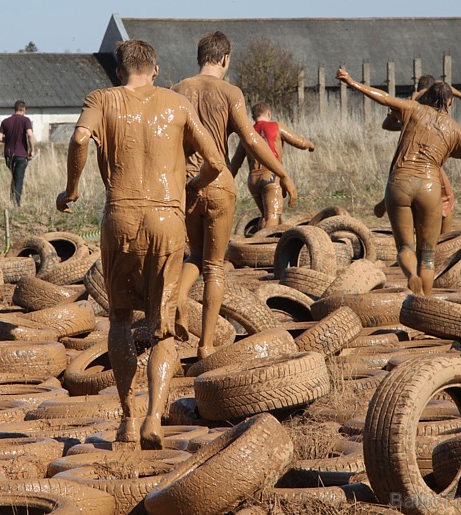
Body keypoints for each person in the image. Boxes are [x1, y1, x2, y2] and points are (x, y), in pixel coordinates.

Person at [56, 40, 230, 450]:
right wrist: (190, 189)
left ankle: (129, 419)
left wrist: (71, 189)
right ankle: (155, 415)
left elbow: (80, 139)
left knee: (119, 320)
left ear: (119, 72)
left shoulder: (102, 98)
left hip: (121, 217)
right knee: (162, 326)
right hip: (168, 218)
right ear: (154, 69)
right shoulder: (176, 103)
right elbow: (217, 162)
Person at [172, 31, 298, 359]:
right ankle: (206, 345)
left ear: (200, 57)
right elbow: (252, 140)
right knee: (214, 266)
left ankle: (180, 296)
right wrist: (282, 173)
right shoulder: (230, 92)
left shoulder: (176, 91)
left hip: (186, 186)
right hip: (217, 186)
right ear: (225, 58)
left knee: (194, 256)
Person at [336, 68, 461, 296]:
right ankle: (424, 302)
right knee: (428, 256)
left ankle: (411, 276)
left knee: (405, 248)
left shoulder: (413, 109)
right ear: (450, 103)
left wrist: (352, 82)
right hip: (429, 187)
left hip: (399, 184)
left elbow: (382, 97)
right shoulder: (456, 130)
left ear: (426, 96)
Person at [379, 74, 461, 233]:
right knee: (446, 199)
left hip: (406, 156)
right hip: (428, 160)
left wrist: (408, 125)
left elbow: (387, 124)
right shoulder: (437, 95)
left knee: (403, 187)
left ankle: (388, 205)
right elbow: (450, 89)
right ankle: (444, 240)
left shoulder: (412, 99)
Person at [230, 101, 315, 229]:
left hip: (253, 180)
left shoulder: (247, 133)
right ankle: (264, 247)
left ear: (253, 117)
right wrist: (310, 145)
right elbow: (299, 142)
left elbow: (235, 163)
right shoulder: (276, 126)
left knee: (265, 216)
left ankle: (258, 243)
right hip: (271, 177)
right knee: (272, 217)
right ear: (269, 114)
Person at [0, 100, 35, 206]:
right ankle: (16, 204)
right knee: (19, 179)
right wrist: (32, 150)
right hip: (21, 154)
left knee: (14, 177)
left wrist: (8, 140)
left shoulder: (5, 121)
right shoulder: (26, 120)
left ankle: (12, 200)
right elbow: (30, 134)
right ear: (23, 109)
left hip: (9, 155)